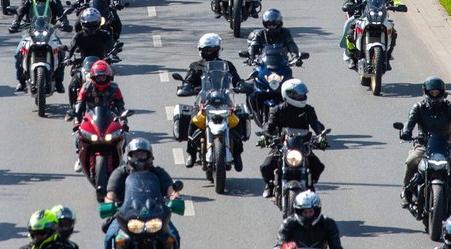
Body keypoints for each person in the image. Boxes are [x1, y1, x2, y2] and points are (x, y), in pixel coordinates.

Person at [399, 76, 451, 214]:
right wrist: (406, 132)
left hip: (445, 146)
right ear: (426, 93)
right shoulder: (418, 107)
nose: (434, 95)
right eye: (432, 93)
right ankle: (406, 191)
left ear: (442, 93)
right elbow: (409, 122)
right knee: (411, 161)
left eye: (437, 93)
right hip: (423, 146)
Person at [178, 33, 244, 169]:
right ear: (201, 50)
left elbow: (237, 80)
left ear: (218, 50)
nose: (209, 53)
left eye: (212, 49)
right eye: (206, 50)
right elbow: (188, 81)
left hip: (224, 101)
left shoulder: (227, 65)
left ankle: (237, 155)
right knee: (192, 122)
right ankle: (191, 154)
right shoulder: (195, 66)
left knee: (237, 123)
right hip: (204, 102)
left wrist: (242, 85)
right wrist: (187, 87)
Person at [103, 138, 181, 249]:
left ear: (149, 156)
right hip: (126, 216)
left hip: (156, 216)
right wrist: (109, 203)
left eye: (142, 154)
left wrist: (175, 198)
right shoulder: (120, 173)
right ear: (130, 156)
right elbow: (111, 192)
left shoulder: (158, 172)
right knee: (110, 237)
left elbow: (170, 189)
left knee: (173, 236)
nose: (139, 157)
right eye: (136, 154)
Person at [260, 79, 326, 198]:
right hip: (283, 145)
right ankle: (270, 185)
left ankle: (310, 184)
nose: (301, 96)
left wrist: (321, 135)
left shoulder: (308, 110)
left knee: (318, 166)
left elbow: (316, 124)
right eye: (298, 94)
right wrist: (266, 135)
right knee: (266, 166)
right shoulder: (277, 110)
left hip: (303, 146)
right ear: (288, 94)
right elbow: (269, 124)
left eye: (302, 94)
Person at [9, 0, 71, 93]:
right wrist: (15, 23)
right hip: (30, 32)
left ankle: (59, 81)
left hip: (50, 32)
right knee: (18, 54)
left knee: (61, 53)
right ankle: (21, 81)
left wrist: (65, 23)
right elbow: (19, 12)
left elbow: (61, 12)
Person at [275, 190, 343, 249]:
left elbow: (336, 246)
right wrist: (285, 247)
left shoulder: (328, 223)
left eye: (310, 211)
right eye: (305, 212)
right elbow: (279, 245)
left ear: (316, 211)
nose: (308, 215)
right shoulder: (288, 224)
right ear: (299, 212)